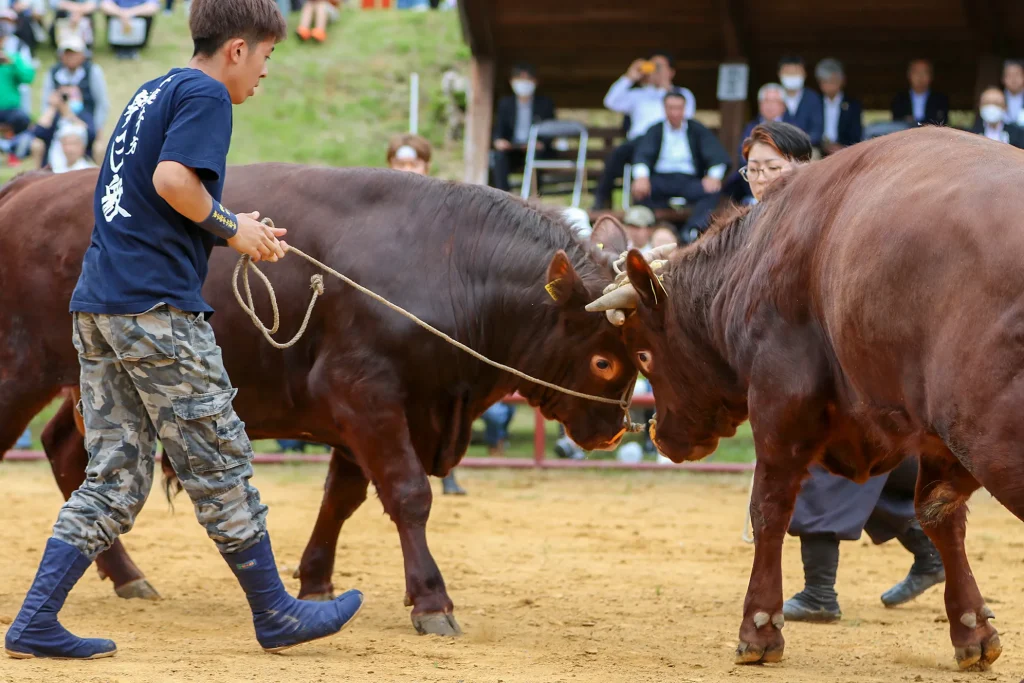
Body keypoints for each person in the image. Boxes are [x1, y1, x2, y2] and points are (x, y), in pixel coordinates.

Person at [4, 0, 363, 661]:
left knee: (112, 475)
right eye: (265, 57)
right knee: (220, 454)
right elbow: (173, 180)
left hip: (101, 305)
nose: (263, 72)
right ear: (236, 49)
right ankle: (274, 610)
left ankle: (34, 621)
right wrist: (232, 229)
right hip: (156, 311)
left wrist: (226, 220)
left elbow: (148, 194)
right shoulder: (206, 95)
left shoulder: (153, 91)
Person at [738, 122, 947, 622]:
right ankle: (929, 554)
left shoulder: (823, 214)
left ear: (802, 168)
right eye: (753, 168)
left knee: (819, 466)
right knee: (862, 471)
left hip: (840, 364)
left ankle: (819, 593)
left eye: (773, 167)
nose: (761, 178)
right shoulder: (753, 223)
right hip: (800, 364)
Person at [594, 51, 696, 210]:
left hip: (666, 143)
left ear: (671, 71)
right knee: (616, 154)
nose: (655, 71)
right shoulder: (639, 94)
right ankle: (601, 199)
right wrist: (630, 77)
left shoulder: (682, 95)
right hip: (638, 142)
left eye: (660, 67)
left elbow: (686, 115)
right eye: (653, 66)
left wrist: (665, 86)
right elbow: (610, 101)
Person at [630, 91, 729, 234]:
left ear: (685, 108)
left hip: (688, 180)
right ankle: (655, 229)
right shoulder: (655, 130)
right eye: (671, 108)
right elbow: (642, 155)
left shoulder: (697, 129)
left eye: (678, 108)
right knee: (640, 191)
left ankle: (692, 230)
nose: (675, 112)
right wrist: (641, 177)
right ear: (664, 108)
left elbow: (716, 154)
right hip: (661, 179)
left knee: (713, 190)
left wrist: (714, 176)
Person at [488, 62, 556, 193]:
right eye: (520, 79)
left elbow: (551, 130)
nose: (523, 83)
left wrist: (541, 143)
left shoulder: (545, 104)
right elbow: (499, 129)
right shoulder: (505, 104)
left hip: (535, 149)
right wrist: (498, 141)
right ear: (512, 81)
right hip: (512, 149)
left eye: (527, 79)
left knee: (538, 156)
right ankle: (504, 196)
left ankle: (533, 196)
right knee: (499, 157)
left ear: (535, 82)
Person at [40, 31, 109, 140]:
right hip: (59, 118)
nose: (70, 57)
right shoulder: (54, 72)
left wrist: (98, 128)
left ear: (83, 55)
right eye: (67, 53)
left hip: (86, 118)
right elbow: (46, 102)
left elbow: (102, 103)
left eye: (74, 53)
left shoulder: (92, 71)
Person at [815, 58, 862, 155]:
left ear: (842, 80)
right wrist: (823, 145)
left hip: (845, 150)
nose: (830, 85)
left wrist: (842, 147)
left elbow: (856, 134)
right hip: (818, 149)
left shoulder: (853, 105)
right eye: (825, 81)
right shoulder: (815, 102)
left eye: (833, 80)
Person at [777, 55, 823, 147]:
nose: (792, 76)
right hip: (778, 147)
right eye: (788, 73)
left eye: (796, 72)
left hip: (807, 149)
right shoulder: (773, 96)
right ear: (779, 74)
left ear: (805, 74)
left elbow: (817, 130)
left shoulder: (813, 98)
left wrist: (799, 143)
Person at [891, 58, 948, 126]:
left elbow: (941, 122)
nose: (920, 76)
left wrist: (916, 123)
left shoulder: (940, 99)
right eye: (916, 72)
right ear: (909, 75)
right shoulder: (899, 99)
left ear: (931, 76)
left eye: (924, 72)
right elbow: (896, 122)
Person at [1001, 59, 1023, 125]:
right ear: (1003, 79)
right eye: (1009, 75)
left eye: (1017, 74)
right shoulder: (998, 99)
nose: (1013, 79)